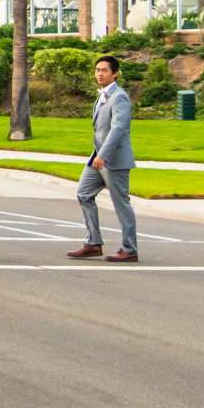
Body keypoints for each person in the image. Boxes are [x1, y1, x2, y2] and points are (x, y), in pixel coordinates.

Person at [68, 54, 139, 263]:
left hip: (113, 160)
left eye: (104, 70)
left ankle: (130, 249)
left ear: (115, 74)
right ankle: (93, 243)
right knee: (83, 193)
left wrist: (103, 155)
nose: (99, 74)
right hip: (97, 159)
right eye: (97, 70)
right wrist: (97, 155)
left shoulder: (119, 97)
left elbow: (118, 129)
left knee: (121, 204)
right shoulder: (103, 96)